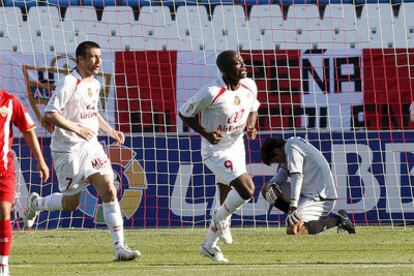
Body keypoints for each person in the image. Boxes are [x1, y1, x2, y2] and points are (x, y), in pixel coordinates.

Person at [23, 41, 140, 261]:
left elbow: (92, 112)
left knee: (109, 189)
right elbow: (50, 114)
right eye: (93, 57)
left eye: (100, 57)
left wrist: (110, 130)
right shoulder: (69, 82)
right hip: (67, 150)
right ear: (81, 60)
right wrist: (76, 128)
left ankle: (120, 247)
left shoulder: (94, 83)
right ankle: (36, 204)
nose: (98, 61)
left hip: (91, 146)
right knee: (71, 203)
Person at [179, 50, 260, 263]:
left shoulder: (249, 85)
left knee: (226, 196)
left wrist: (250, 127)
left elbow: (253, 108)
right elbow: (184, 112)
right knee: (246, 189)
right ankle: (220, 217)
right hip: (214, 152)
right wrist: (206, 133)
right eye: (237, 64)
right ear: (224, 69)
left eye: (242, 62)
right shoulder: (211, 92)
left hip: (236, 146)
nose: (243, 66)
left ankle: (208, 246)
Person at [260, 136, 356, 235]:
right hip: (305, 193)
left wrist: (294, 205)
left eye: (277, 161)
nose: (279, 163)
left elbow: (297, 176)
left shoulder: (291, 147)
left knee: (295, 231)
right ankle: (294, 215)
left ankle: (339, 219)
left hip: (321, 197)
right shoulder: (289, 147)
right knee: (266, 189)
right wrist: (272, 185)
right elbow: (281, 175)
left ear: (276, 151)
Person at [0, 90, 49, 276]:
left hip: (4, 171)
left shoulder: (10, 101)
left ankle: (3, 266)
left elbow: (28, 130)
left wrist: (41, 160)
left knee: (4, 210)